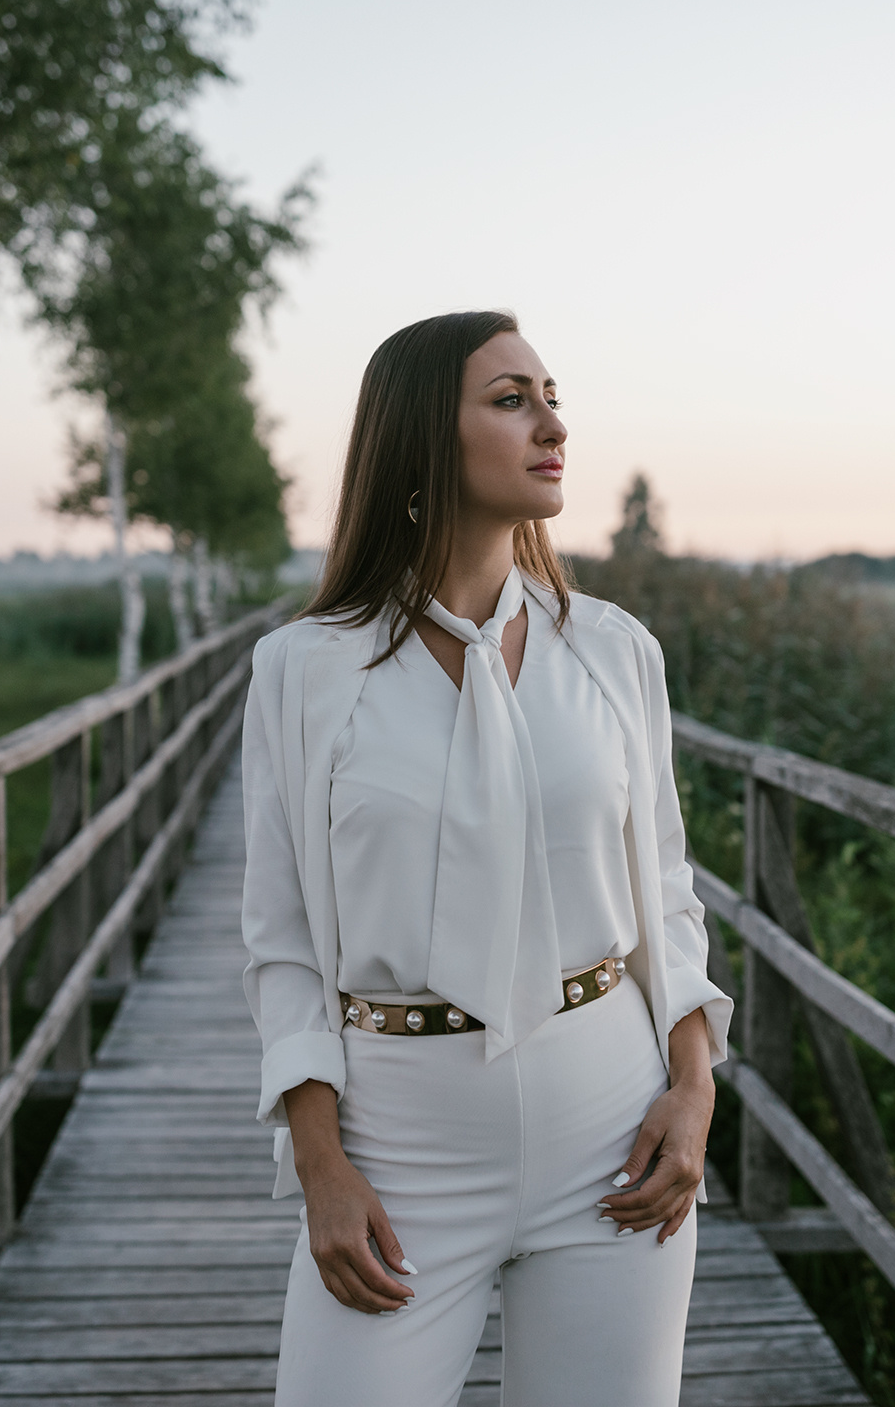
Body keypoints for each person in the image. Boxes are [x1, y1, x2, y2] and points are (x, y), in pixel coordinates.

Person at [239, 310, 732, 1404]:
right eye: (512, 401)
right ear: (423, 437)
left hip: (612, 1133)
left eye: (553, 398)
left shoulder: (612, 651)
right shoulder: (303, 672)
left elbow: (665, 891)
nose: (553, 425)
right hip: (399, 1147)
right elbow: (280, 941)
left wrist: (693, 1090)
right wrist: (320, 1164)